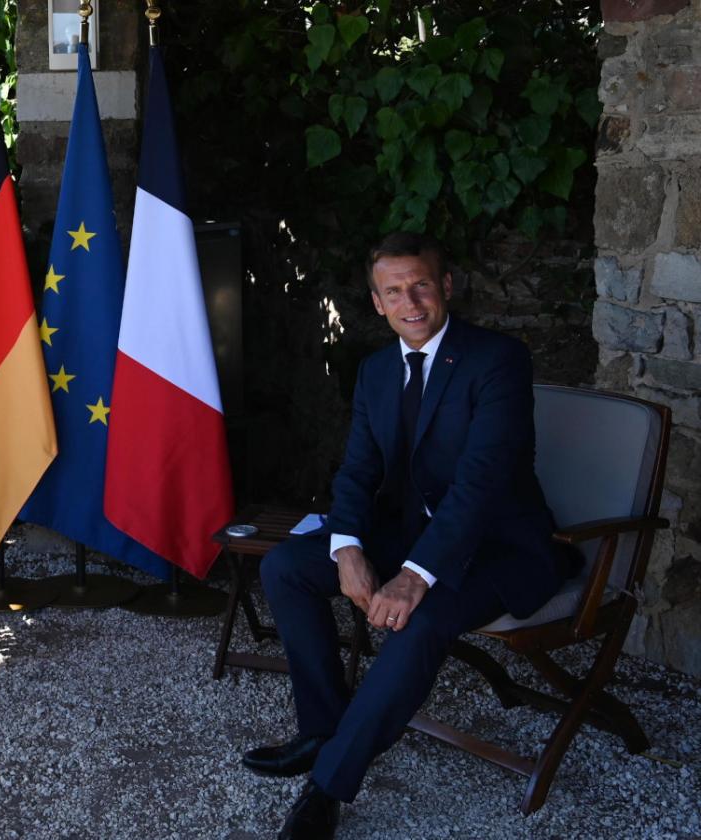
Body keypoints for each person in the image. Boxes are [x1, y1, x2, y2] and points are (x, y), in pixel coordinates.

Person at [243, 232, 576, 839]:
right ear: (376, 302)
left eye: (421, 284)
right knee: (286, 567)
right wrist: (346, 549)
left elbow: (480, 486)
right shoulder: (374, 370)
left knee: (421, 618)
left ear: (446, 285)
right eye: (394, 291)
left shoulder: (497, 360)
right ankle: (322, 729)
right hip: (411, 535)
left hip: (498, 549)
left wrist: (410, 576)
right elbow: (358, 471)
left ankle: (328, 786)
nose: (411, 302)